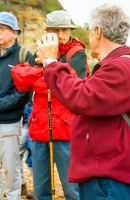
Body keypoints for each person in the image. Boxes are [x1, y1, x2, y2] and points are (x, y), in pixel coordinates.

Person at [35, 4, 130, 200]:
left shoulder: (121, 67)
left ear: (98, 31)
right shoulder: (117, 65)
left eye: (90, 31)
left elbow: (82, 98)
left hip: (108, 178)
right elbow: (84, 90)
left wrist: (51, 63)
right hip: (104, 173)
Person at [12, 10, 88, 200]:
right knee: (40, 189)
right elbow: (20, 80)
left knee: (72, 189)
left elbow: (72, 84)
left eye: (65, 30)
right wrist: (50, 75)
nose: (61, 35)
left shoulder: (77, 53)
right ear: (47, 30)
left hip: (66, 129)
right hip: (40, 129)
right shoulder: (39, 51)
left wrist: (43, 71)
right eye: (56, 30)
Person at [0, 12, 31, 200]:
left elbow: (23, 94)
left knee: (12, 170)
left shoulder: (23, 55)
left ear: (14, 32)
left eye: (2, 29)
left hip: (10, 123)